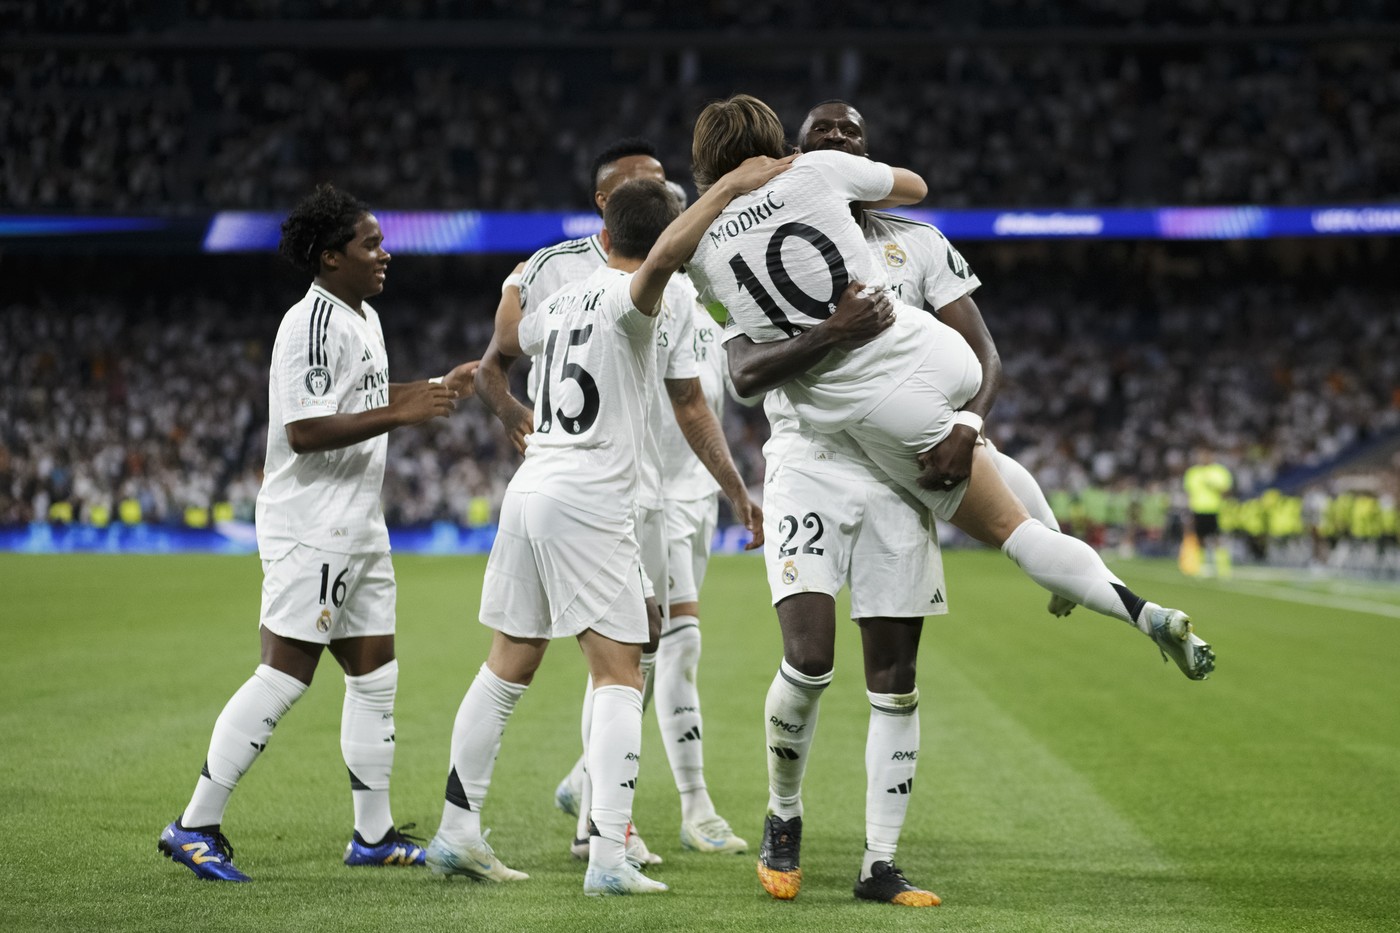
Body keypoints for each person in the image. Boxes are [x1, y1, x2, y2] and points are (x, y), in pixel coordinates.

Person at [678, 92, 1215, 890]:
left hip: (904, 461)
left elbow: (985, 358)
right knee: (810, 660)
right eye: (820, 131)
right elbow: (744, 371)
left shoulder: (918, 245)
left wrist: (970, 421)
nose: (833, 139)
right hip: (810, 458)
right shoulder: (745, 237)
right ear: (790, 158)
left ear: (861, 155)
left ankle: (880, 862)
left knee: (895, 677)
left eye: (848, 132)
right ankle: (783, 812)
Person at [425, 169, 774, 896]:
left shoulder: (561, 299)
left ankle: (456, 830)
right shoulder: (643, 298)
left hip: (531, 490)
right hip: (591, 497)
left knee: (506, 665)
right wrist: (734, 185)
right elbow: (672, 348)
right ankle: (609, 853)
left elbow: (510, 335)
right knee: (621, 673)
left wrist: (516, 279)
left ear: (604, 234)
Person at [158, 184, 470, 881]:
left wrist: (432, 390)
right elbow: (304, 429)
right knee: (284, 673)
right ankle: (194, 822)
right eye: (370, 244)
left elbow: (358, 402)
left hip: (359, 524)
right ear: (331, 257)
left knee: (375, 676)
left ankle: (373, 834)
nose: (385, 254)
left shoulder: (364, 316)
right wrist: (405, 412)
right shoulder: (310, 324)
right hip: (313, 524)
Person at [507, 139, 746, 860]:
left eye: (665, 184)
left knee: (648, 649)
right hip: (626, 486)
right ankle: (678, 809)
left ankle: (591, 783)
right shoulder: (562, 269)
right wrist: (525, 423)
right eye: (641, 189)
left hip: (690, 486)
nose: (662, 196)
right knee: (651, 648)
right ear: (605, 208)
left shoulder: (701, 259)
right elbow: (501, 358)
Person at [1183, 448, 1234, 578]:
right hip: (1198, 509)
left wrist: (1214, 486)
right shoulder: (1193, 472)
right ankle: (1202, 566)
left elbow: (1227, 491)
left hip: (1216, 510)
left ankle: (1223, 569)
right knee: (1200, 539)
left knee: (1218, 538)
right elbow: (1189, 493)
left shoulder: (1219, 471)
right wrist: (1188, 510)